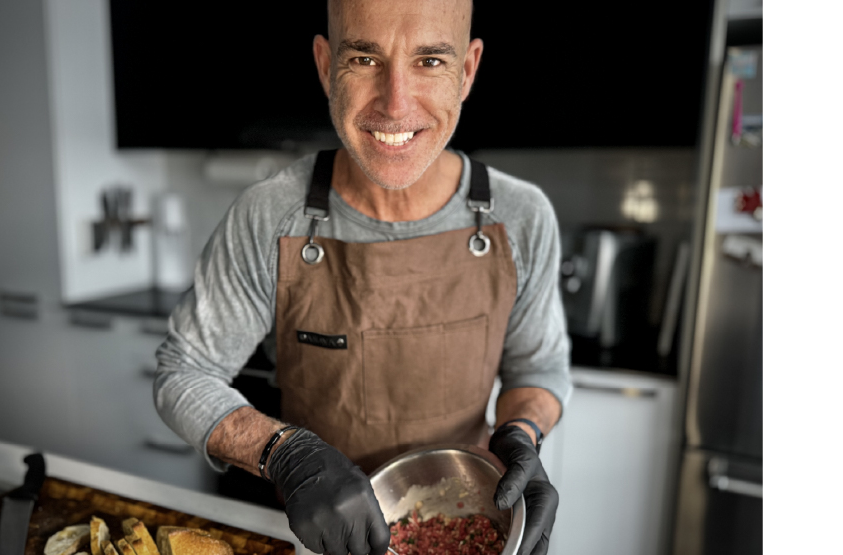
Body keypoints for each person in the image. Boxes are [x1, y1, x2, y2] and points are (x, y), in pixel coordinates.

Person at [154, 1, 571, 554]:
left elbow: (539, 367)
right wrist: (283, 453)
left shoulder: (520, 216)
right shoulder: (271, 214)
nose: (395, 103)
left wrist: (521, 434)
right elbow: (183, 372)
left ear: (467, 71)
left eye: (429, 60)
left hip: (467, 522)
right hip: (318, 537)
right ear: (327, 66)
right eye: (364, 59)